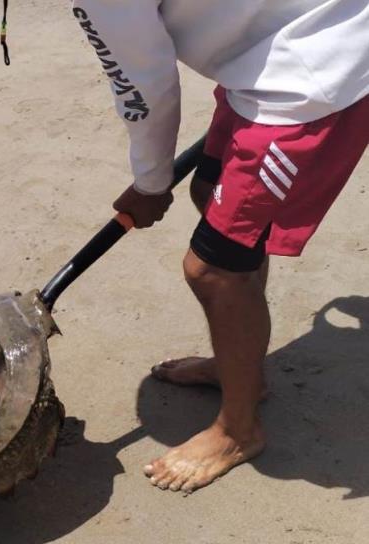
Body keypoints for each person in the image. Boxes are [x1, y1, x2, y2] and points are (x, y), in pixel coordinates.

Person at [71, 0, 369, 492]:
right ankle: (242, 369)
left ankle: (238, 429)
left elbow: (143, 84)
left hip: (313, 69)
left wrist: (149, 183)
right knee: (210, 195)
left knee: (212, 268)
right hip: (264, 53)